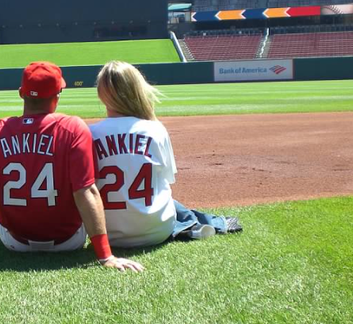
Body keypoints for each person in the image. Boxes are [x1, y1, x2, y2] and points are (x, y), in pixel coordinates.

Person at [0, 61, 144, 273]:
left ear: (21, 93)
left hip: (14, 242)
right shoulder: (74, 128)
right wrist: (106, 256)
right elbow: (86, 192)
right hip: (69, 241)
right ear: (57, 95)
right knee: (83, 184)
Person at [89, 61, 242, 248]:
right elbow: (167, 180)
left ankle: (196, 223)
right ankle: (204, 222)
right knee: (167, 197)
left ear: (101, 94)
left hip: (106, 234)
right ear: (137, 89)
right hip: (158, 232)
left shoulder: (89, 133)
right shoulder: (155, 129)